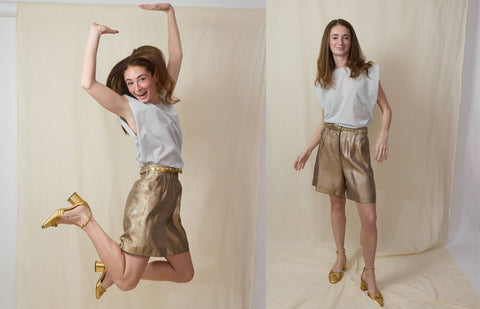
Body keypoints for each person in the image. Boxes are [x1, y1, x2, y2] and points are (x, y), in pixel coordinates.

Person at [42, 3, 194, 299]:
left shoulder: (163, 102)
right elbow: (87, 83)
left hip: (171, 191)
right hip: (151, 190)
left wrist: (170, 12)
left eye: (141, 79)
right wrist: (95, 34)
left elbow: (176, 56)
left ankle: (115, 267)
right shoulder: (130, 109)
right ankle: (84, 216)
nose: (136, 87)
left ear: (153, 76)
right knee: (127, 282)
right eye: (129, 83)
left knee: (184, 273)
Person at [293, 19, 392, 307]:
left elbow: (386, 108)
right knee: (336, 204)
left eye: (345, 37)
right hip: (330, 143)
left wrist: (383, 135)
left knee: (369, 217)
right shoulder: (323, 78)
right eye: (335, 37)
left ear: (352, 41)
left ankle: (369, 273)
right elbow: (326, 120)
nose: (340, 42)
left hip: (357, 143)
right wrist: (308, 149)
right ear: (328, 41)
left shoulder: (367, 72)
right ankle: (340, 256)